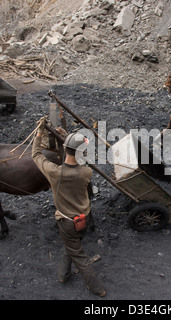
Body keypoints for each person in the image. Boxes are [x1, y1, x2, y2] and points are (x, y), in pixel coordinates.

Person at [31, 119, 106, 298]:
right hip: (84, 218)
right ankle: (63, 275)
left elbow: (36, 155)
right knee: (72, 246)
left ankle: (98, 289)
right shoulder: (86, 172)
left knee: (78, 255)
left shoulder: (54, 172)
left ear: (66, 149)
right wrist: (67, 139)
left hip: (67, 222)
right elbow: (80, 158)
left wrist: (39, 133)